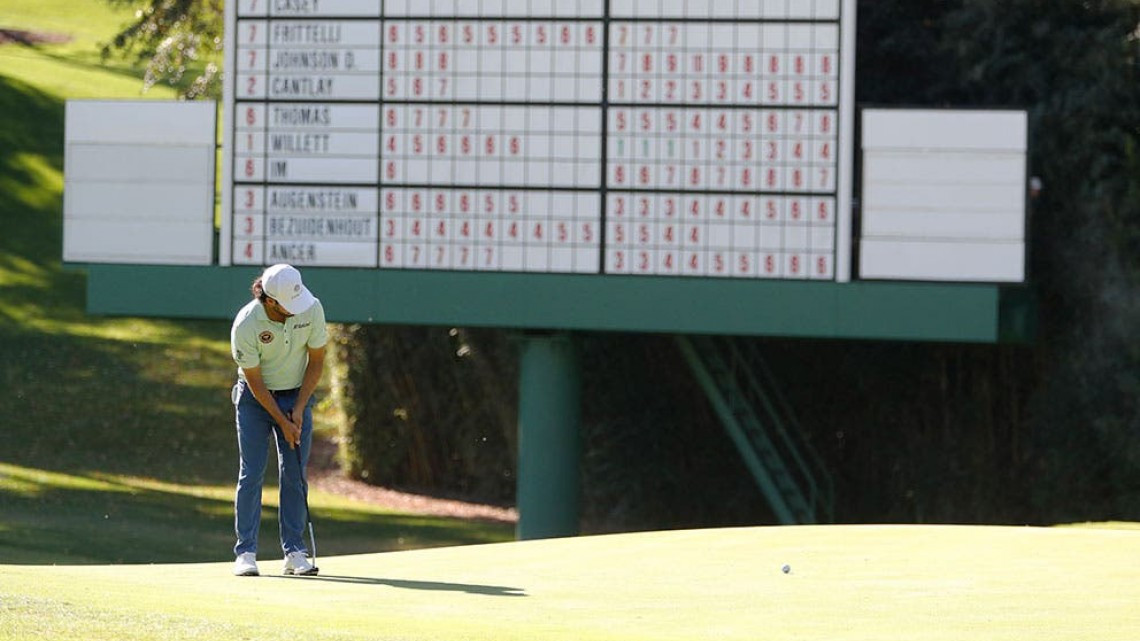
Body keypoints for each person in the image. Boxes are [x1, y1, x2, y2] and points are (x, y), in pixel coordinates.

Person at [229, 264, 328, 577]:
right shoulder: (246, 325)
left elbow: (317, 360)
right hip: (255, 399)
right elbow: (255, 383)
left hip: (296, 394)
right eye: (289, 304)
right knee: (252, 471)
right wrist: (282, 421)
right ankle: (245, 552)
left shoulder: (311, 309)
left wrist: (299, 408)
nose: (297, 309)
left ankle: (295, 552)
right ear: (270, 300)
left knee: (295, 473)